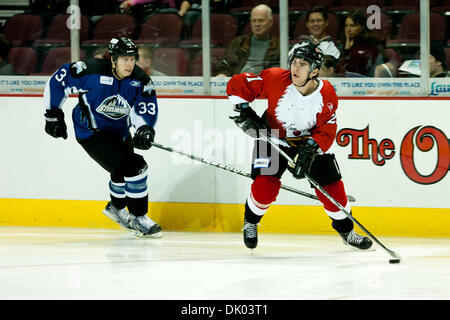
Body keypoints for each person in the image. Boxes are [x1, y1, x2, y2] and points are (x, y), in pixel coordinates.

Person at [226, 42, 373, 251]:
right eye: (294, 62)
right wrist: (242, 109)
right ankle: (250, 223)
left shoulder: (327, 94)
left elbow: (328, 128)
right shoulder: (276, 78)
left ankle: (348, 232)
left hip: (310, 143)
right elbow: (239, 82)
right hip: (273, 138)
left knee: (332, 192)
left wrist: (310, 150)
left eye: (303, 64)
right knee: (265, 187)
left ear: (314, 71)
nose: (295, 68)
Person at [43, 37, 162, 238]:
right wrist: (52, 114)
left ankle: (115, 209)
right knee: (136, 167)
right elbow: (58, 81)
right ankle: (139, 217)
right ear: (113, 59)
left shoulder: (140, 80)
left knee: (120, 172)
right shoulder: (90, 70)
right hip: (91, 132)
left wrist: (144, 128)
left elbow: (145, 107)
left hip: (120, 132)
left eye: (132, 59)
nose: (130, 64)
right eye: (124, 59)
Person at [216, 4, 280, 77]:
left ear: (270, 22)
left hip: (264, 83)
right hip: (238, 81)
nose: (257, 24)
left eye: (261, 21)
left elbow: (279, 70)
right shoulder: (239, 42)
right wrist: (222, 76)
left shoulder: (279, 45)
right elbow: (225, 66)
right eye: (254, 21)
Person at [296, 6, 341, 77]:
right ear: (307, 24)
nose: (315, 24)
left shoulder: (335, 46)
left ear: (326, 23)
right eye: (312, 21)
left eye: (319, 20)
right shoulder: (298, 46)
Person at [341, 10, 384, 77]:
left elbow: (359, 68)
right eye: (346, 25)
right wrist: (346, 48)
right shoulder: (347, 43)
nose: (348, 29)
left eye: (353, 25)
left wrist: (348, 50)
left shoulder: (371, 42)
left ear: (362, 26)